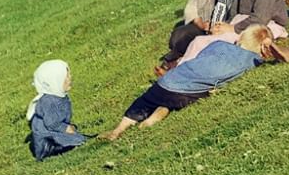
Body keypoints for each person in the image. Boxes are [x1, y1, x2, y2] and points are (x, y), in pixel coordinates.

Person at [100, 25, 275, 141]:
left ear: (241, 38)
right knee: (182, 98)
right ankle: (158, 115)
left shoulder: (219, 45)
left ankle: (119, 130)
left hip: (167, 82)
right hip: (188, 93)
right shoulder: (252, 61)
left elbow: (201, 57)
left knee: (144, 101)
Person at [27, 60, 86, 161]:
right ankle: (50, 151)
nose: (70, 78)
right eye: (66, 77)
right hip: (47, 139)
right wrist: (65, 128)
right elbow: (51, 123)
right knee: (78, 139)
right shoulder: (50, 101)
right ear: (54, 81)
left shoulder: (58, 95)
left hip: (53, 132)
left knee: (77, 137)